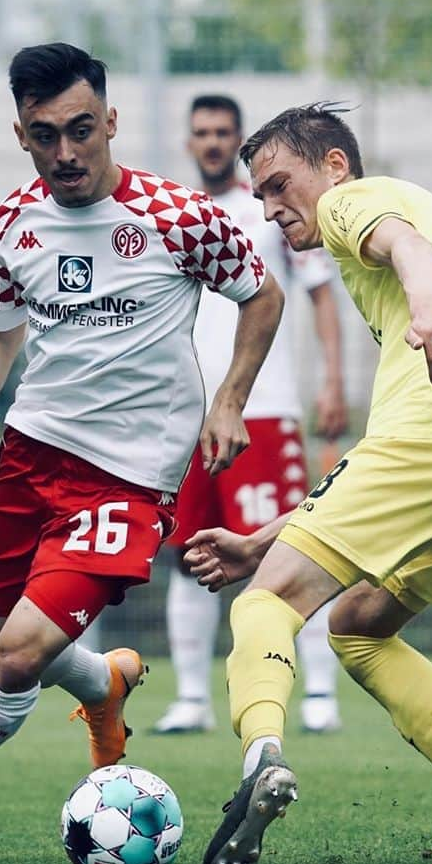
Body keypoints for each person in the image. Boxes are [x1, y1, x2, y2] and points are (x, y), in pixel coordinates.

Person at [0, 42, 284, 864]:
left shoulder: (177, 215)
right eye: (45, 135)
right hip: (30, 455)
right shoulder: (12, 222)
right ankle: (102, 687)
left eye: (82, 130)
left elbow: (260, 293)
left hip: (127, 479)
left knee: (14, 658)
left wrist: (229, 399)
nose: (67, 153)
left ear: (111, 121)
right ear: (22, 134)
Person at [185, 104, 432, 864]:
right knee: (359, 623)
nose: (270, 206)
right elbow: (370, 475)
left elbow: (406, 246)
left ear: (333, 167)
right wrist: (264, 537)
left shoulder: (359, 201)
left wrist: (428, 310)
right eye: (258, 195)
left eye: (280, 183)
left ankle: (261, 758)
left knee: (267, 601)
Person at [153, 93, 348, 737]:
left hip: (264, 410)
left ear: (236, 140)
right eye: (201, 132)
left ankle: (318, 691)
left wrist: (332, 380)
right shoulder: (174, 217)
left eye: (222, 133)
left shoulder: (269, 213)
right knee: (188, 553)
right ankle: (190, 699)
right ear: (189, 141)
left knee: (289, 550)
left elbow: (319, 294)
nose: (211, 142)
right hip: (189, 418)